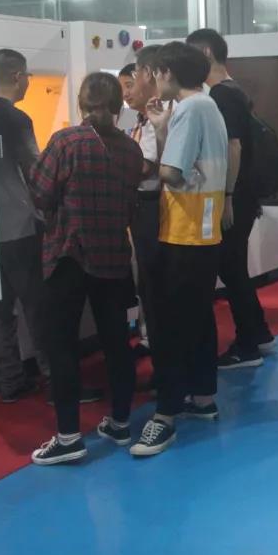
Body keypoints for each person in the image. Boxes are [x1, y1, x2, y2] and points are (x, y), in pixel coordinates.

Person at [28, 73, 142, 465]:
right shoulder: (131, 149)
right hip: (113, 255)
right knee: (116, 342)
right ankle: (121, 422)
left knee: (61, 344)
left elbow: (40, 193)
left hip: (69, 255)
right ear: (118, 105)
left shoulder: (66, 141)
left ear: (81, 104)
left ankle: (68, 437)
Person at [131, 41, 229, 457]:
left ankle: (166, 414)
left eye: (153, 73)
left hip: (183, 230)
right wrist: (160, 130)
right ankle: (202, 396)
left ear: (166, 73)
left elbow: (173, 172)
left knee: (169, 325)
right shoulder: (207, 105)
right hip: (201, 229)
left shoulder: (190, 109)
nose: (151, 80)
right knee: (198, 317)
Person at [186, 29, 273, 370]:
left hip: (236, 195)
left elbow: (233, 147)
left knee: (231, 268)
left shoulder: (223, 95)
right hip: (241, 193)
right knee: (234, 267)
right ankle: (258, 333)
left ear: (206, 53)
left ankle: (248, 345)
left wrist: (227, 196)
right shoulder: (232, 91)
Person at [0, 49, 51, 402]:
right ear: (16, 76)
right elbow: (35, 171)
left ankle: (10, 382)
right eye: (27, 76)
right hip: (20, 226)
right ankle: (54, 379)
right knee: (37, 307)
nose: (28, 82)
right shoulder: (17, 119)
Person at [125, 45, 164, 360]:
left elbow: (145, 165)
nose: (128, 91)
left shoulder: (155, 119)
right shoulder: (140, 121)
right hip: (144, 205)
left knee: (152, 276)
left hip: (151, 205)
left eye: (132, 80)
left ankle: (157, 340)